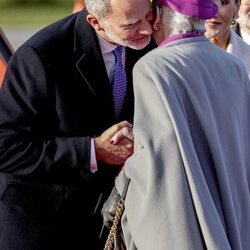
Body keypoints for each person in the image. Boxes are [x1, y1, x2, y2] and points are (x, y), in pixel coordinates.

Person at [0, 0, 156, 248]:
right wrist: (93, 151)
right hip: (44, 225)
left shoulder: (148, 43)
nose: (147, 29)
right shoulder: (40, 55)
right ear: (95, 21)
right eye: (132, 23)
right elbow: (6, 148)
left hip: (108, 223)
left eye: (149, 16)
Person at [102, 0, 250, 249]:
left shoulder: (153, 67)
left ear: (160, 16)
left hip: (186, 218)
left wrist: (121, 184)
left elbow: (157, 160)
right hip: (233, 210)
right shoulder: (234, 65)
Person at [205, 0, 250, 78]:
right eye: (206, 2)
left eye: (223, 2)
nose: (214, 13)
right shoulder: (180, 57)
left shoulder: (247, 57)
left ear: (237, 8)